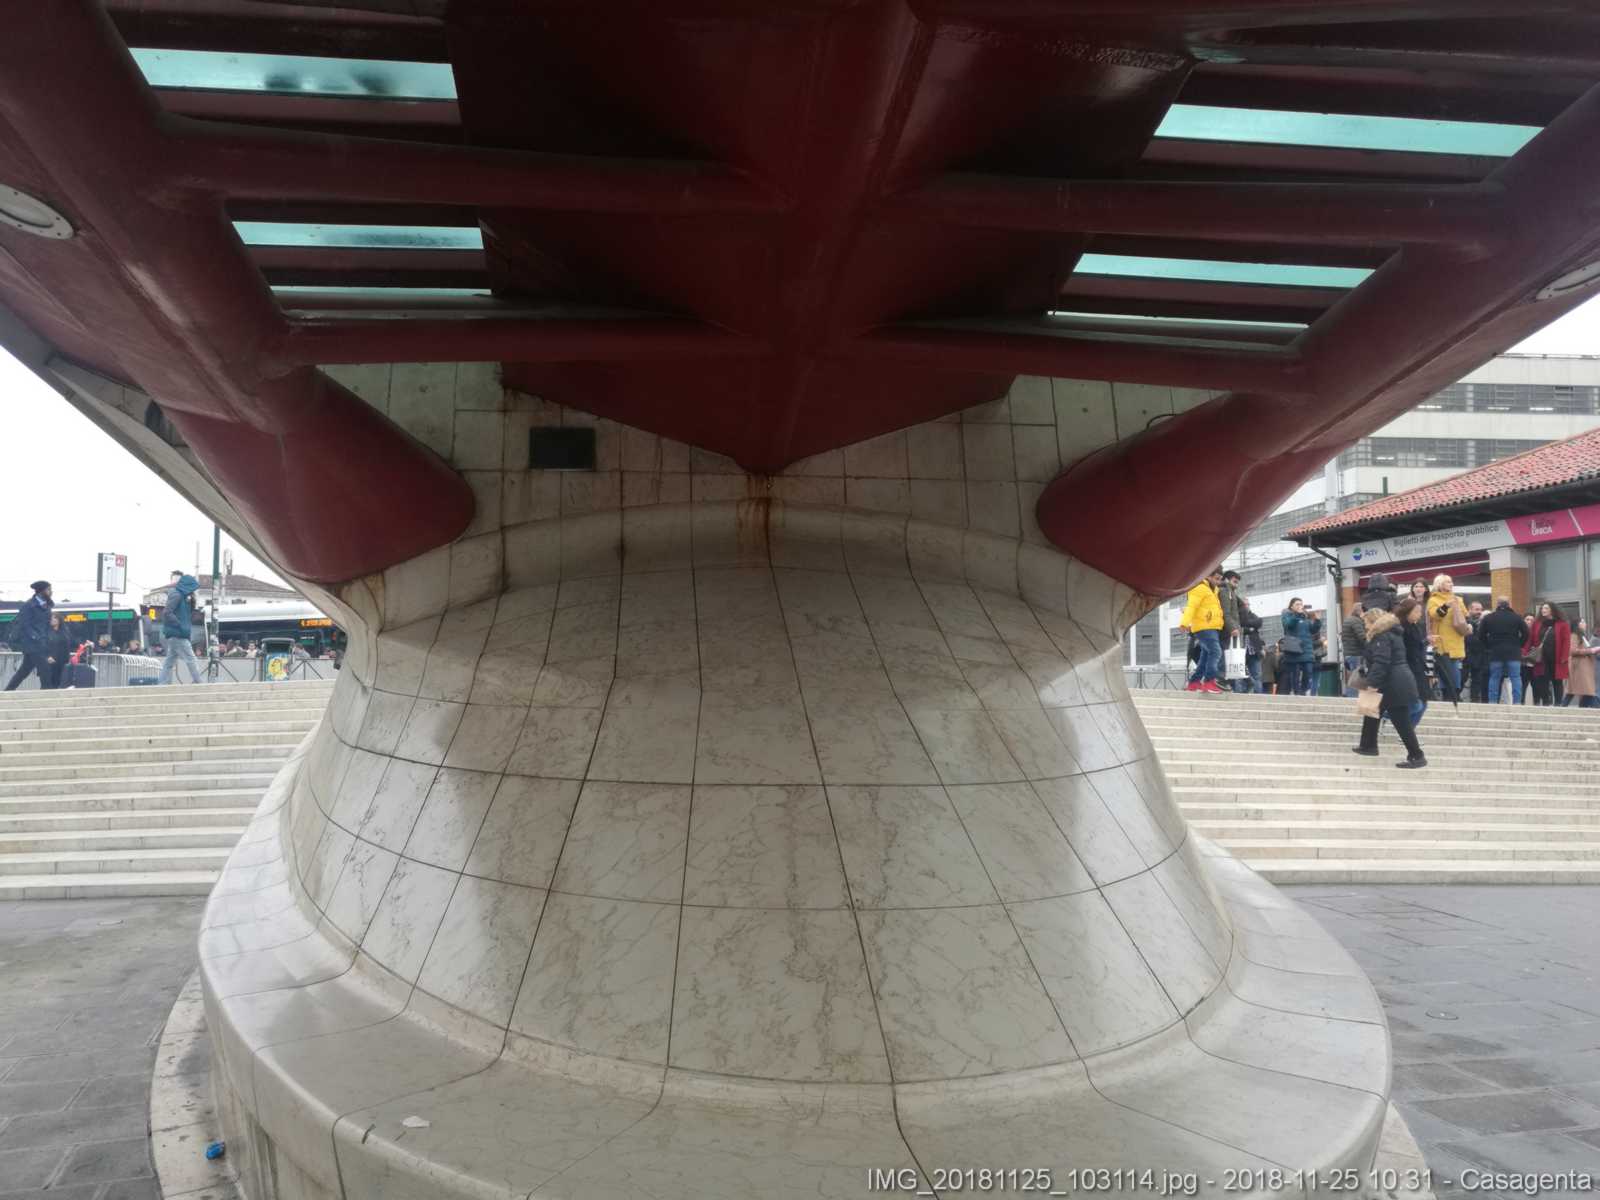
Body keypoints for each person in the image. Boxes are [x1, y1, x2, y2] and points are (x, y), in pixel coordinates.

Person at [1353, 597, 1427, 768]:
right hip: (1395, 681)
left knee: (1401, 721)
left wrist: (1372, 684)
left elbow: (1382, 662)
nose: (1365, 626)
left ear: (1374, 622)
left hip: (1393, 683)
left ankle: (1417, 755)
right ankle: (1368, 745)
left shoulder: (1382, 636)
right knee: (1372, 711)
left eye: (1366, 623)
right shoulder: (1391, 633)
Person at [1179, 567, 1226, 694]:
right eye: (1216, 578)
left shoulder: (1213, 590)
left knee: (1205, 657)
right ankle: (1209, 682)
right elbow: (1191, 606)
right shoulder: (1199, 588)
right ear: (1208, 576)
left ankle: (1194, 682)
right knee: (1215, 652)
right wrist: (1184, 622)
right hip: (1204, 627)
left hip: (1212, 627)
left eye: (1220, 579)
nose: (1218, 582)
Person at [4, 581, 54, 691]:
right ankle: (47, 694)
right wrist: (35, 637)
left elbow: (47, 626)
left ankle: (7, 691)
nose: (51, 592)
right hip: (32, 644)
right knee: (45, 670)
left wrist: (47, 638)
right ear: (41, 591)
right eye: (49, 590)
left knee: (24, 671)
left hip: (42, 644)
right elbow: (25, 625)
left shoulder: (47, 606)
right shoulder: (28, 605)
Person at [1426, 574, 1469, 699]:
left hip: (1456, 639)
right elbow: (1435, 615)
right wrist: (1446, 606)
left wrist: (1468, 624)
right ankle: (1449, 695)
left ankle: (1454, 694)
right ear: (1440, 585)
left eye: (1451, 582)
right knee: (1446, 670)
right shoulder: (1433, 600)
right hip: (1441, 641)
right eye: (1448, 582)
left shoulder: (1458, 599)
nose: (1451, 584)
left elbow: (1465, 616)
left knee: (1454, 669)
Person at [159, 573, 205, 685]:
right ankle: (199, 682)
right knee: (191, 658)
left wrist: (191, 600)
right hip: (178, 633)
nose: (193, 591)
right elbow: (167, 612)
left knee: (169, 661)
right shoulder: (177, 595)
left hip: (177, 633)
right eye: (192, 588)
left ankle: (162, 683)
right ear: (187, 586)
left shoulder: (183, 596)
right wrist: (179, 624)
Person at [1480, 597, 1527, 704]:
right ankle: (1517, 702)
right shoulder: (1517, 617)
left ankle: (1492, 701)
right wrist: (1519, 644)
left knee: (1494, 677)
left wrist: (1488, 645)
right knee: (1515, 677)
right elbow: (1526, 633)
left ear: (1497, 604)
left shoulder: (1488, 618)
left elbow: (1481, 635)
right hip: (1513, 652)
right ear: (1509, 604)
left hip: (1495, 652)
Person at [1525, 601, 1571, 706]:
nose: (1543, 610)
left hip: (1557, 658)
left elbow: (1566, 641)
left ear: (1552, 610)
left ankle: (1558, 704)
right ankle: (1546, 703)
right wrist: (1525, 651)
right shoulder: (1537, 623)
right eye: (1542, 608)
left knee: (1557, 681)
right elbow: (1530, 639)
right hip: (1541, 658)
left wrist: (1564, 657)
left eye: (1546, 608)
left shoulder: (1562, 624)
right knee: (1542, 681)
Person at [1279, 597, 1322, 696]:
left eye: (1301, 604)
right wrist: (1297, 615)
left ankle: (1303, 690)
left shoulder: (1305, 616)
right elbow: (1288, 625)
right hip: (1294, 649)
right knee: (1295, 672)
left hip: (1306, 649)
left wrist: (1317, 620)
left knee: (1308, 670)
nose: (1300, 606)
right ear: (1291, 606)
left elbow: (1313, 630)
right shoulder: (1287, 615)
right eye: (1297, 604)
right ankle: (1296, 692)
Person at [1219, 570, 1243, 689]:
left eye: (1237, 582)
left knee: (1228, 657)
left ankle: (1225, 682)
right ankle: (1221, 681)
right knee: (1225, 656)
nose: (1236, 584)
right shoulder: (1225, 591)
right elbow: (1226, 613)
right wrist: (1233, 628)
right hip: (1227, 630)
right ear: (1226, 579)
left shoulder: (1230, 592)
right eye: (1234, 581)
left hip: (1230, 629)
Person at [1567, 618, 1597, 709]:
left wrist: (1593, 651)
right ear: (1577, 624)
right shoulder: (1574, 635)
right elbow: (1572, 651)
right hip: (1580, 667)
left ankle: (1581, 708)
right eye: (1583, 622)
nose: (1585, 623)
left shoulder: (1582, 636)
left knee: (1586, 692)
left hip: (1585, 666)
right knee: (1587, 692)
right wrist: (1591, 650)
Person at [1236, 597, 1264, 694]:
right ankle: (1240, 695)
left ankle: (1258, 696)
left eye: (1248, 604)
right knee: (1239, 675)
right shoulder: (1236, 616)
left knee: (1257, 675)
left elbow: (1259, 622)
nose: (1246, 606)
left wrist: (1245, 626)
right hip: (1240, 651)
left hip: (1254, 651)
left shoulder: (1253, 615)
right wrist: (1250, 628)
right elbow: (1238, 628)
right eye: (1244, 604)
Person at [1464, 601, 1489, 703]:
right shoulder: (1464, 622)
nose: (1479, 612)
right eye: (1477, 609)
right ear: (1469, 610)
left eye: (1481, 610)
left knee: (1477, 680)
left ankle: (1474, 700)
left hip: (1479, 656)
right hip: (1465, 655)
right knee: (1462, 678)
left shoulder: (1484, 624)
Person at [1341, 602, 1366, 697]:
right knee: (1356, 678)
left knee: (1353, 676)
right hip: (1356, 653)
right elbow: (1362, 637)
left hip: (1350, 653)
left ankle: (1351, 697)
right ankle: (1352, 699)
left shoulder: (1349, 619)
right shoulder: (1356, 621)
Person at [43, 614, 70, 690]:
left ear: (59, 620)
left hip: (62, 662)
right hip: (50, 662)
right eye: (51, 618)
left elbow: (70, 645)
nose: (52, 620)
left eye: (54, 618)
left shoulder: (65, 631)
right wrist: (47, 656)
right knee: (49, 685)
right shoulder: (46, 632)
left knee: (61, 684)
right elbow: (43, 646)